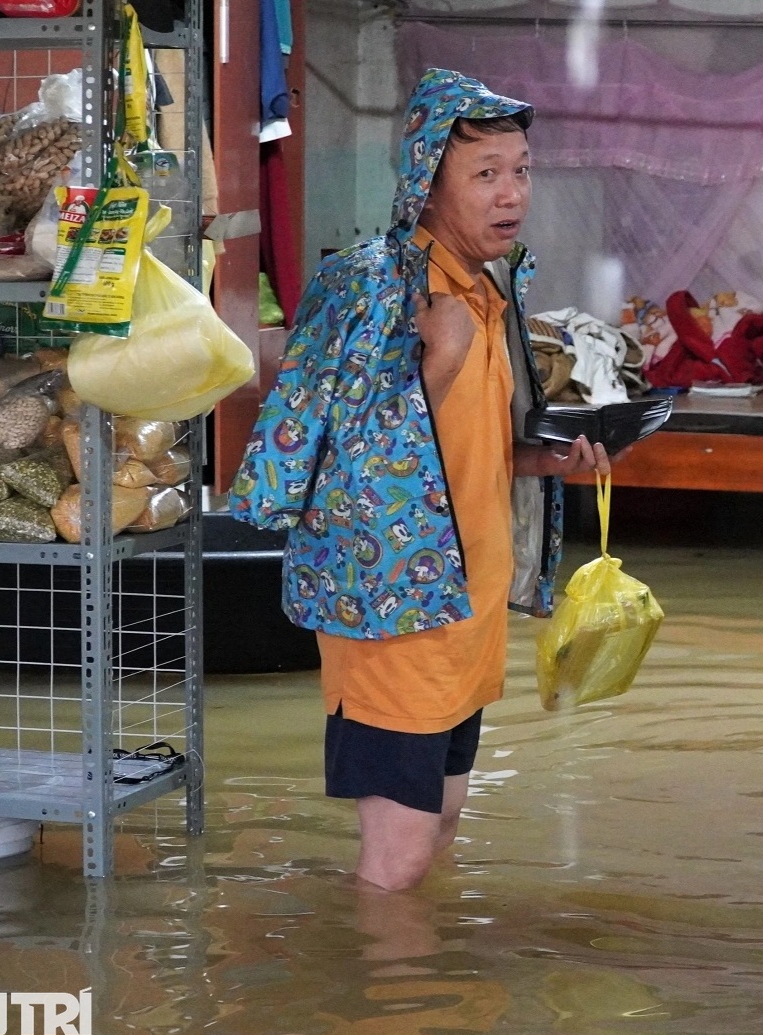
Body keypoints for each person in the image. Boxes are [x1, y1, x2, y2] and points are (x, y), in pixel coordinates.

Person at [230, 68, 611, 892]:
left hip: (463, 609)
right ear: (426, 183)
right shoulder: (370, 286)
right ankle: (372, 1009)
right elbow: (332, 461)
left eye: (521, 170)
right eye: (485, 174)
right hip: (391, 610)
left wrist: (540, 461)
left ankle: (407, 999)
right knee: (397, 855)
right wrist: (435, 362)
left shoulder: (488, 288)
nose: (511, 193)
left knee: (436, 829)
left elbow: (452, 450)